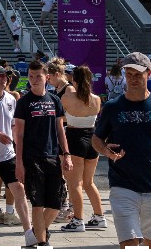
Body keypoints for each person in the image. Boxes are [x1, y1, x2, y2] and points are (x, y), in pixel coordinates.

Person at [92, 52, 151, 249]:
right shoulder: (112, 107)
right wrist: (106, 151)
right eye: (129, 73)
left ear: (149, 74)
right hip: (122, 186)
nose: (133, 78)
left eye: (138, 74)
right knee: (129, 242)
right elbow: (96, 139)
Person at [13, 60, 73, 247]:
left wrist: (67, 154)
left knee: (56, 204)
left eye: (38, 76)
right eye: (30, 77)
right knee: (37, 203)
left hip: (52, 156)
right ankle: (41, 242)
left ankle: (37, 232)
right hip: (32, 157)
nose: (34, 80)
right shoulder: (24, 102)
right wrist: (19, 162)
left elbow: (60, 129)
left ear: (47, 77)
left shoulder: (54, 100)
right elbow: (19, 135)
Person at [60, 65, 106, 232]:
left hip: (75, 138)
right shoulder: (96, 99)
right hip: (92, 138)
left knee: (74, 184)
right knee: (89, 182)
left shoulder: (68, 97)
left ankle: (78, 220)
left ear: (74, 79)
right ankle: (99, 216)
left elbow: (63, 115)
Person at [0, 63, 28, 232]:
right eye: (0, 76)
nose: (5, 79)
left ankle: (17, 219)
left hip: (7, 152)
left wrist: (19, 144)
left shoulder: (11, 98)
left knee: (17, 185)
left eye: (6, 76)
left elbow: (13, 125)